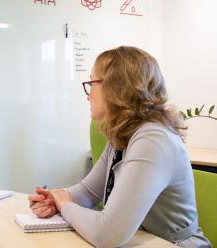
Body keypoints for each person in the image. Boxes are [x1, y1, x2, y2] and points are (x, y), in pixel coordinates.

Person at [28, 46, 212, 247]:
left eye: (92, 84)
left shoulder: (154, 139)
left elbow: (107, 234)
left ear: (115, 88)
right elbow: (88, 192)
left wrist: (65, 205)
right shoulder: (123, 135)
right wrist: (55, 199)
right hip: (140, 239)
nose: (88, 95)